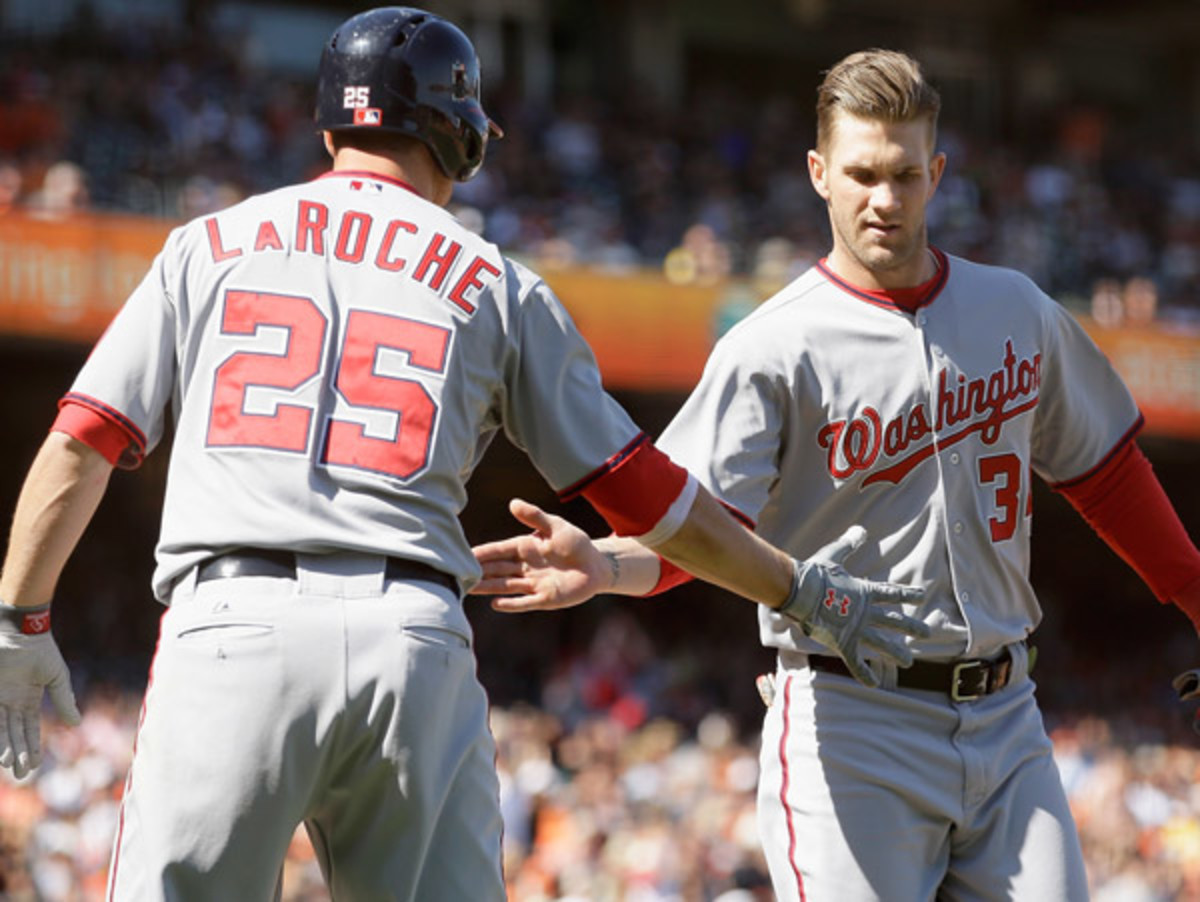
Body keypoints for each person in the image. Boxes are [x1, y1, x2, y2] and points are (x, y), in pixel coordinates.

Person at [0, 13, 928, 901]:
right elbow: (644, 494)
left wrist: (20, 619)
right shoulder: (496, 280)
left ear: (331, 126)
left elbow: (85, 438)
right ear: (459, 137)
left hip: (228, 627)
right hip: (410, 637)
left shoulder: (205, 245)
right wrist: (794, 585)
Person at [471, 49, 1200, 901]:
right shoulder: (772, 346)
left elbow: (1105, 474)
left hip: (1008, 716)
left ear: (938, 171)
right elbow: (693, 530)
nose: (884, 199)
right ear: (819, 173)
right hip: (852, 723)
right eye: (860, 174)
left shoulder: (1018, 310)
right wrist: (606, 564)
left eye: (904, 174)